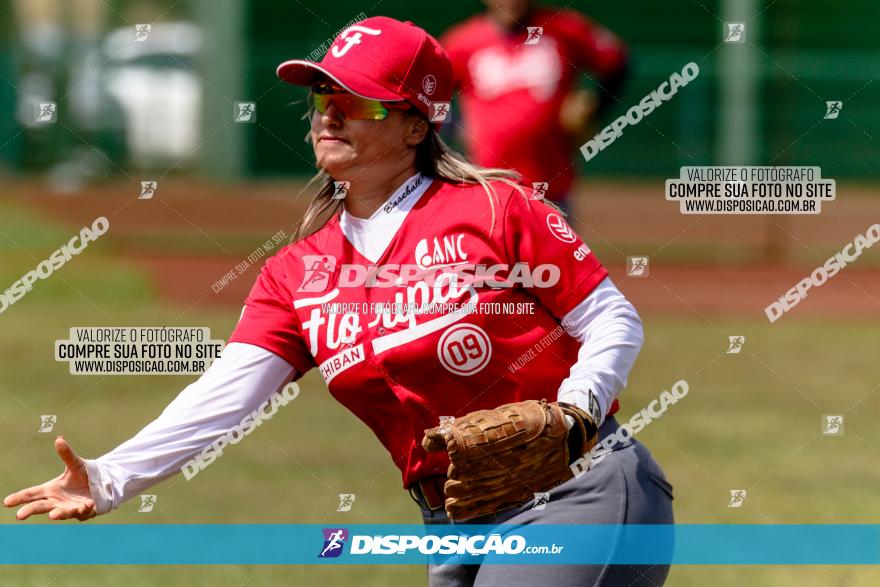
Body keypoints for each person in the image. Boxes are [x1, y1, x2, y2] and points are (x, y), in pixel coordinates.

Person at [3, 16, 672, 586]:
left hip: (577, 488)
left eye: (361, 101)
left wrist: (576, 410)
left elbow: (611, 315)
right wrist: (110, 476)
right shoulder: (297, 272)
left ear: (416, 127)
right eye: (324, 92)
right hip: (452, 521)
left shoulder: (497, 208)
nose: (330, 110)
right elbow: (226, 394)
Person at [441, 0, 630, 210]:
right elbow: (425, 93)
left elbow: (617, 61)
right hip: (488, 188)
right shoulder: (462, 42)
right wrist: (456, 125)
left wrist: (594, 109)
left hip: (551, 187)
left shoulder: (565, 30)